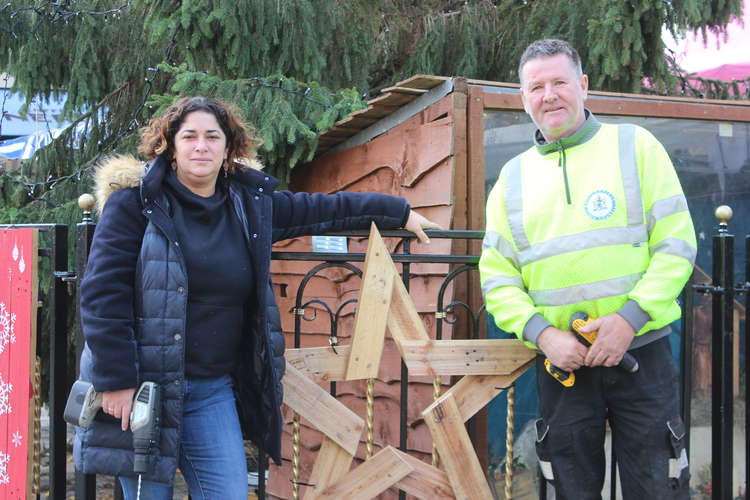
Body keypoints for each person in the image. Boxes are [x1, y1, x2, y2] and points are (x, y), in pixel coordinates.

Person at [73, 96, 440, 499]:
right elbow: (103, 293)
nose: (201, 146)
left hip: (210, 391)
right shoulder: (135, 204)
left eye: (213, 137)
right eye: (190, 136)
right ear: (170, 146)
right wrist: (116, 381)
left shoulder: (249, 205)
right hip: (144, 389)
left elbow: (324, 209)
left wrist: (398, 212)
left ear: (229, 148)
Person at [479, 39, 696, 499]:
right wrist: (543, 334)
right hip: (563, 366)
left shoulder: (635, 146)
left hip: (642, 355)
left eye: (560, 82)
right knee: (570, 490)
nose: (549, 95)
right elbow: (498, 280)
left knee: (657, 487)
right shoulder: (509, 182)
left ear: (583, 85)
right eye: (536, 86)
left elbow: (676, 245)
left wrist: (628, 320)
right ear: (523, 98)